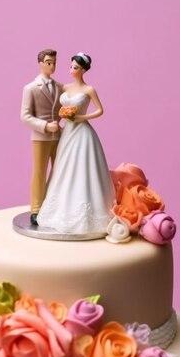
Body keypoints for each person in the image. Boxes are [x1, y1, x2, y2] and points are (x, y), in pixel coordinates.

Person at [36, 53, 115, 235]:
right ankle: (60, 207)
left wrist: (81, 117)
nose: (72, 70)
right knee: (63, 167)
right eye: (71, 66)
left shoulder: (89, 90)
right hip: (67, 132)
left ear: (84, 70)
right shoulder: (65, 87)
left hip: (82, 132)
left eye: (76, 67)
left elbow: (100, 110)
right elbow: (53, 103)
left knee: (83, 167)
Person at [21, 49, 63, 225]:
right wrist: (45, 126)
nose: (52, 66)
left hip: (59, 136)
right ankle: (36, 209)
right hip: (41, 137)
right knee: (39, 172)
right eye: (48, 62)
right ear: (40, 63)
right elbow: (25, 116)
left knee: (59, 171)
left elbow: (61, 108)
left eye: (54, 62)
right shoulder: (30, 88)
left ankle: (55, 205)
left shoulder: (60, 87)